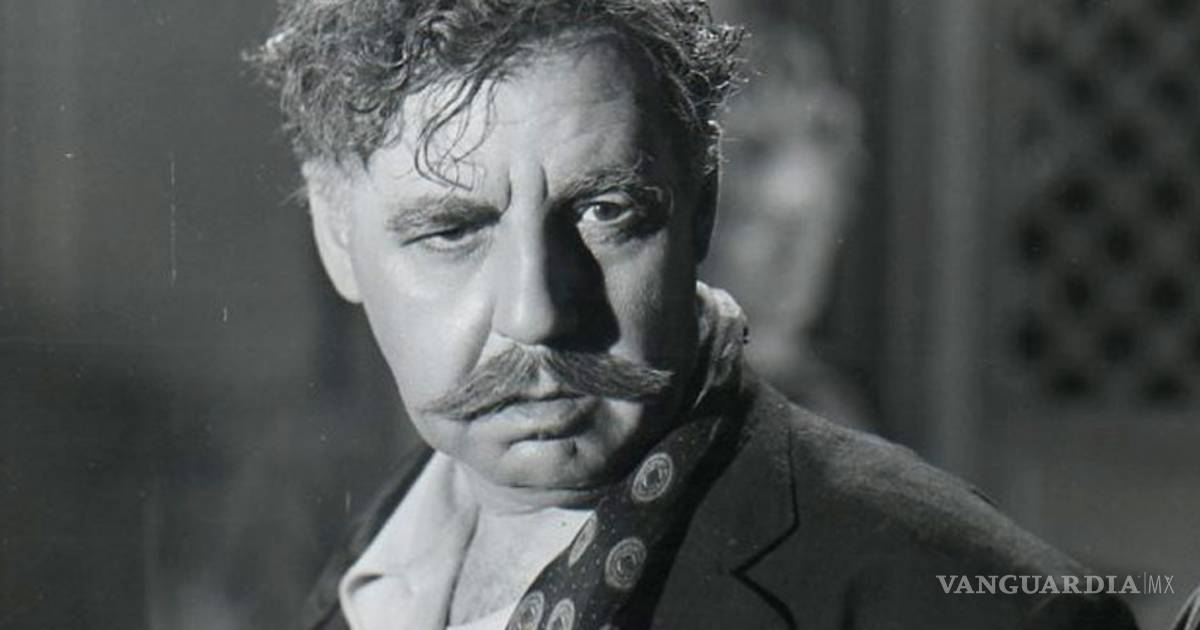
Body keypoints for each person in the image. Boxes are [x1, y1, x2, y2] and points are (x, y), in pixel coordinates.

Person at [249, 1, 1138, 628]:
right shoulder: (369, 571)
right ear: (336, 234)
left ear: (701, 204)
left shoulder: (975, 605)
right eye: (451, 231)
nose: (536, 313)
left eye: (606, 212)